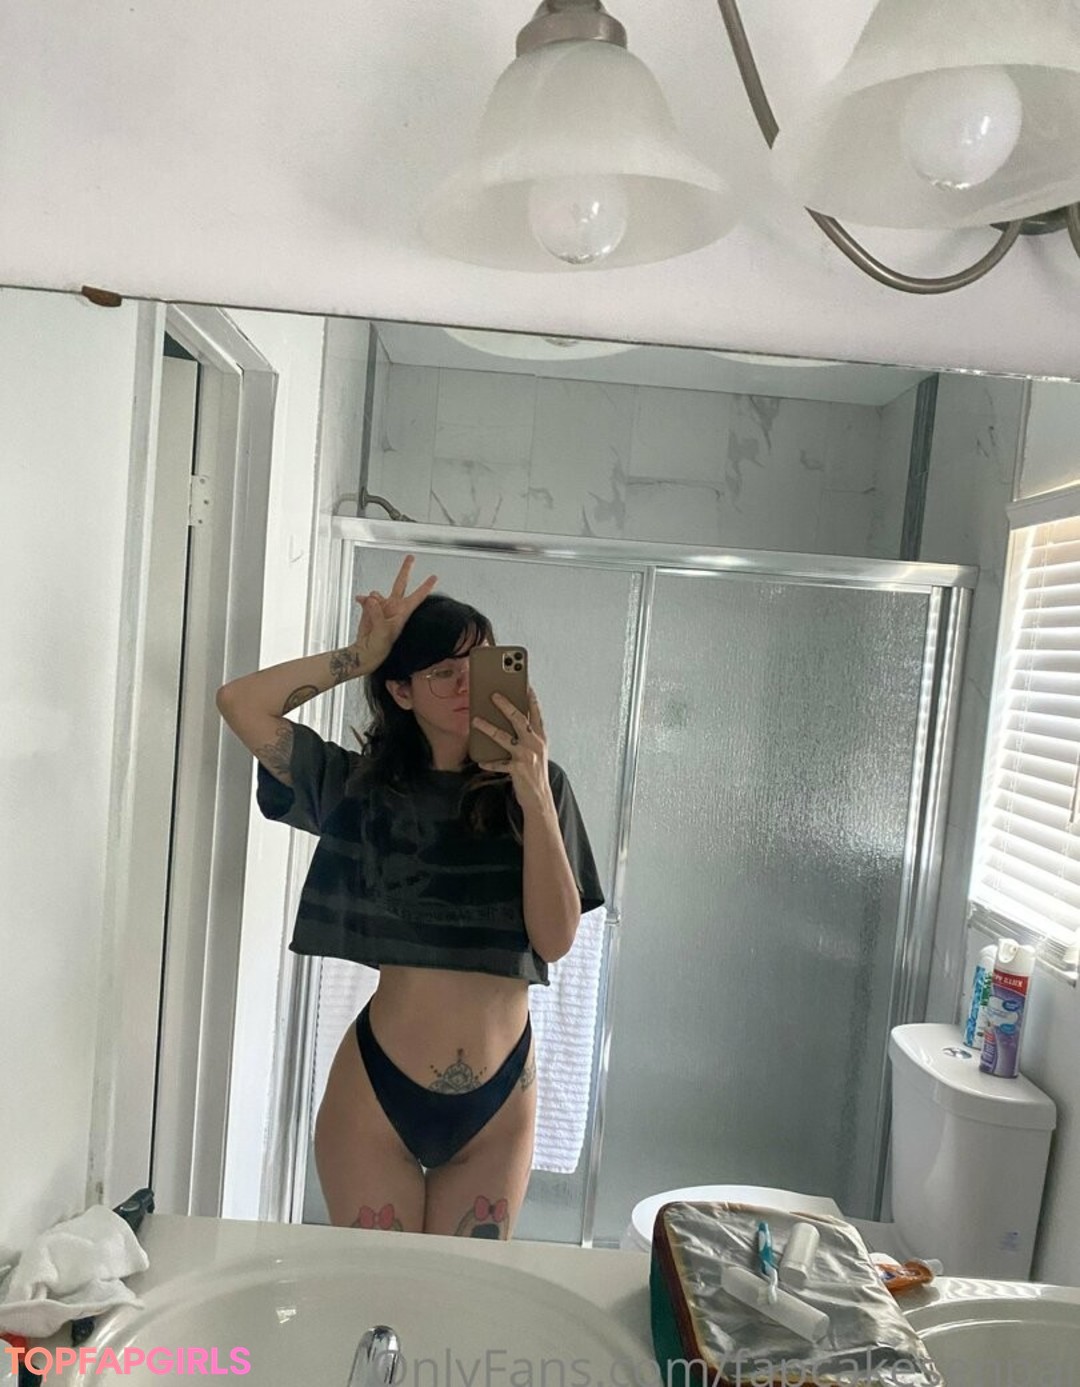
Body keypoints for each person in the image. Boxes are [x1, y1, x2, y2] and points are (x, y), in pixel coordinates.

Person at [216, 554, 604, 1239]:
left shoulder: (543, 790)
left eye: (479, 665)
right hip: (376, 1095)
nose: (466, 684)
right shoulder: (359, 789)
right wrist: (360, 657)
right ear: (401, 692)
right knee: (379, 1288)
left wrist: (535, 794)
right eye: (442, 672)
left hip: (499, 1105)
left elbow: (555, 939)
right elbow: (240, 703)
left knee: (461, 1291)